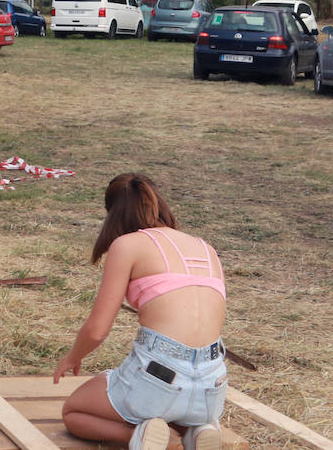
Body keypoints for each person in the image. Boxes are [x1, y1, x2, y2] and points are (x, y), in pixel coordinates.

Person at [54, 173, 227, 450]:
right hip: (213, 384)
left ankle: (139, 437)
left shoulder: (127, 245)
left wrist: (72, 358)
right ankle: (197, 430)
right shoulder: (205, 247)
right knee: (180, 400)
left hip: (158, 378)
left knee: (74, 412)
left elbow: (98, 330)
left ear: (114, 215)